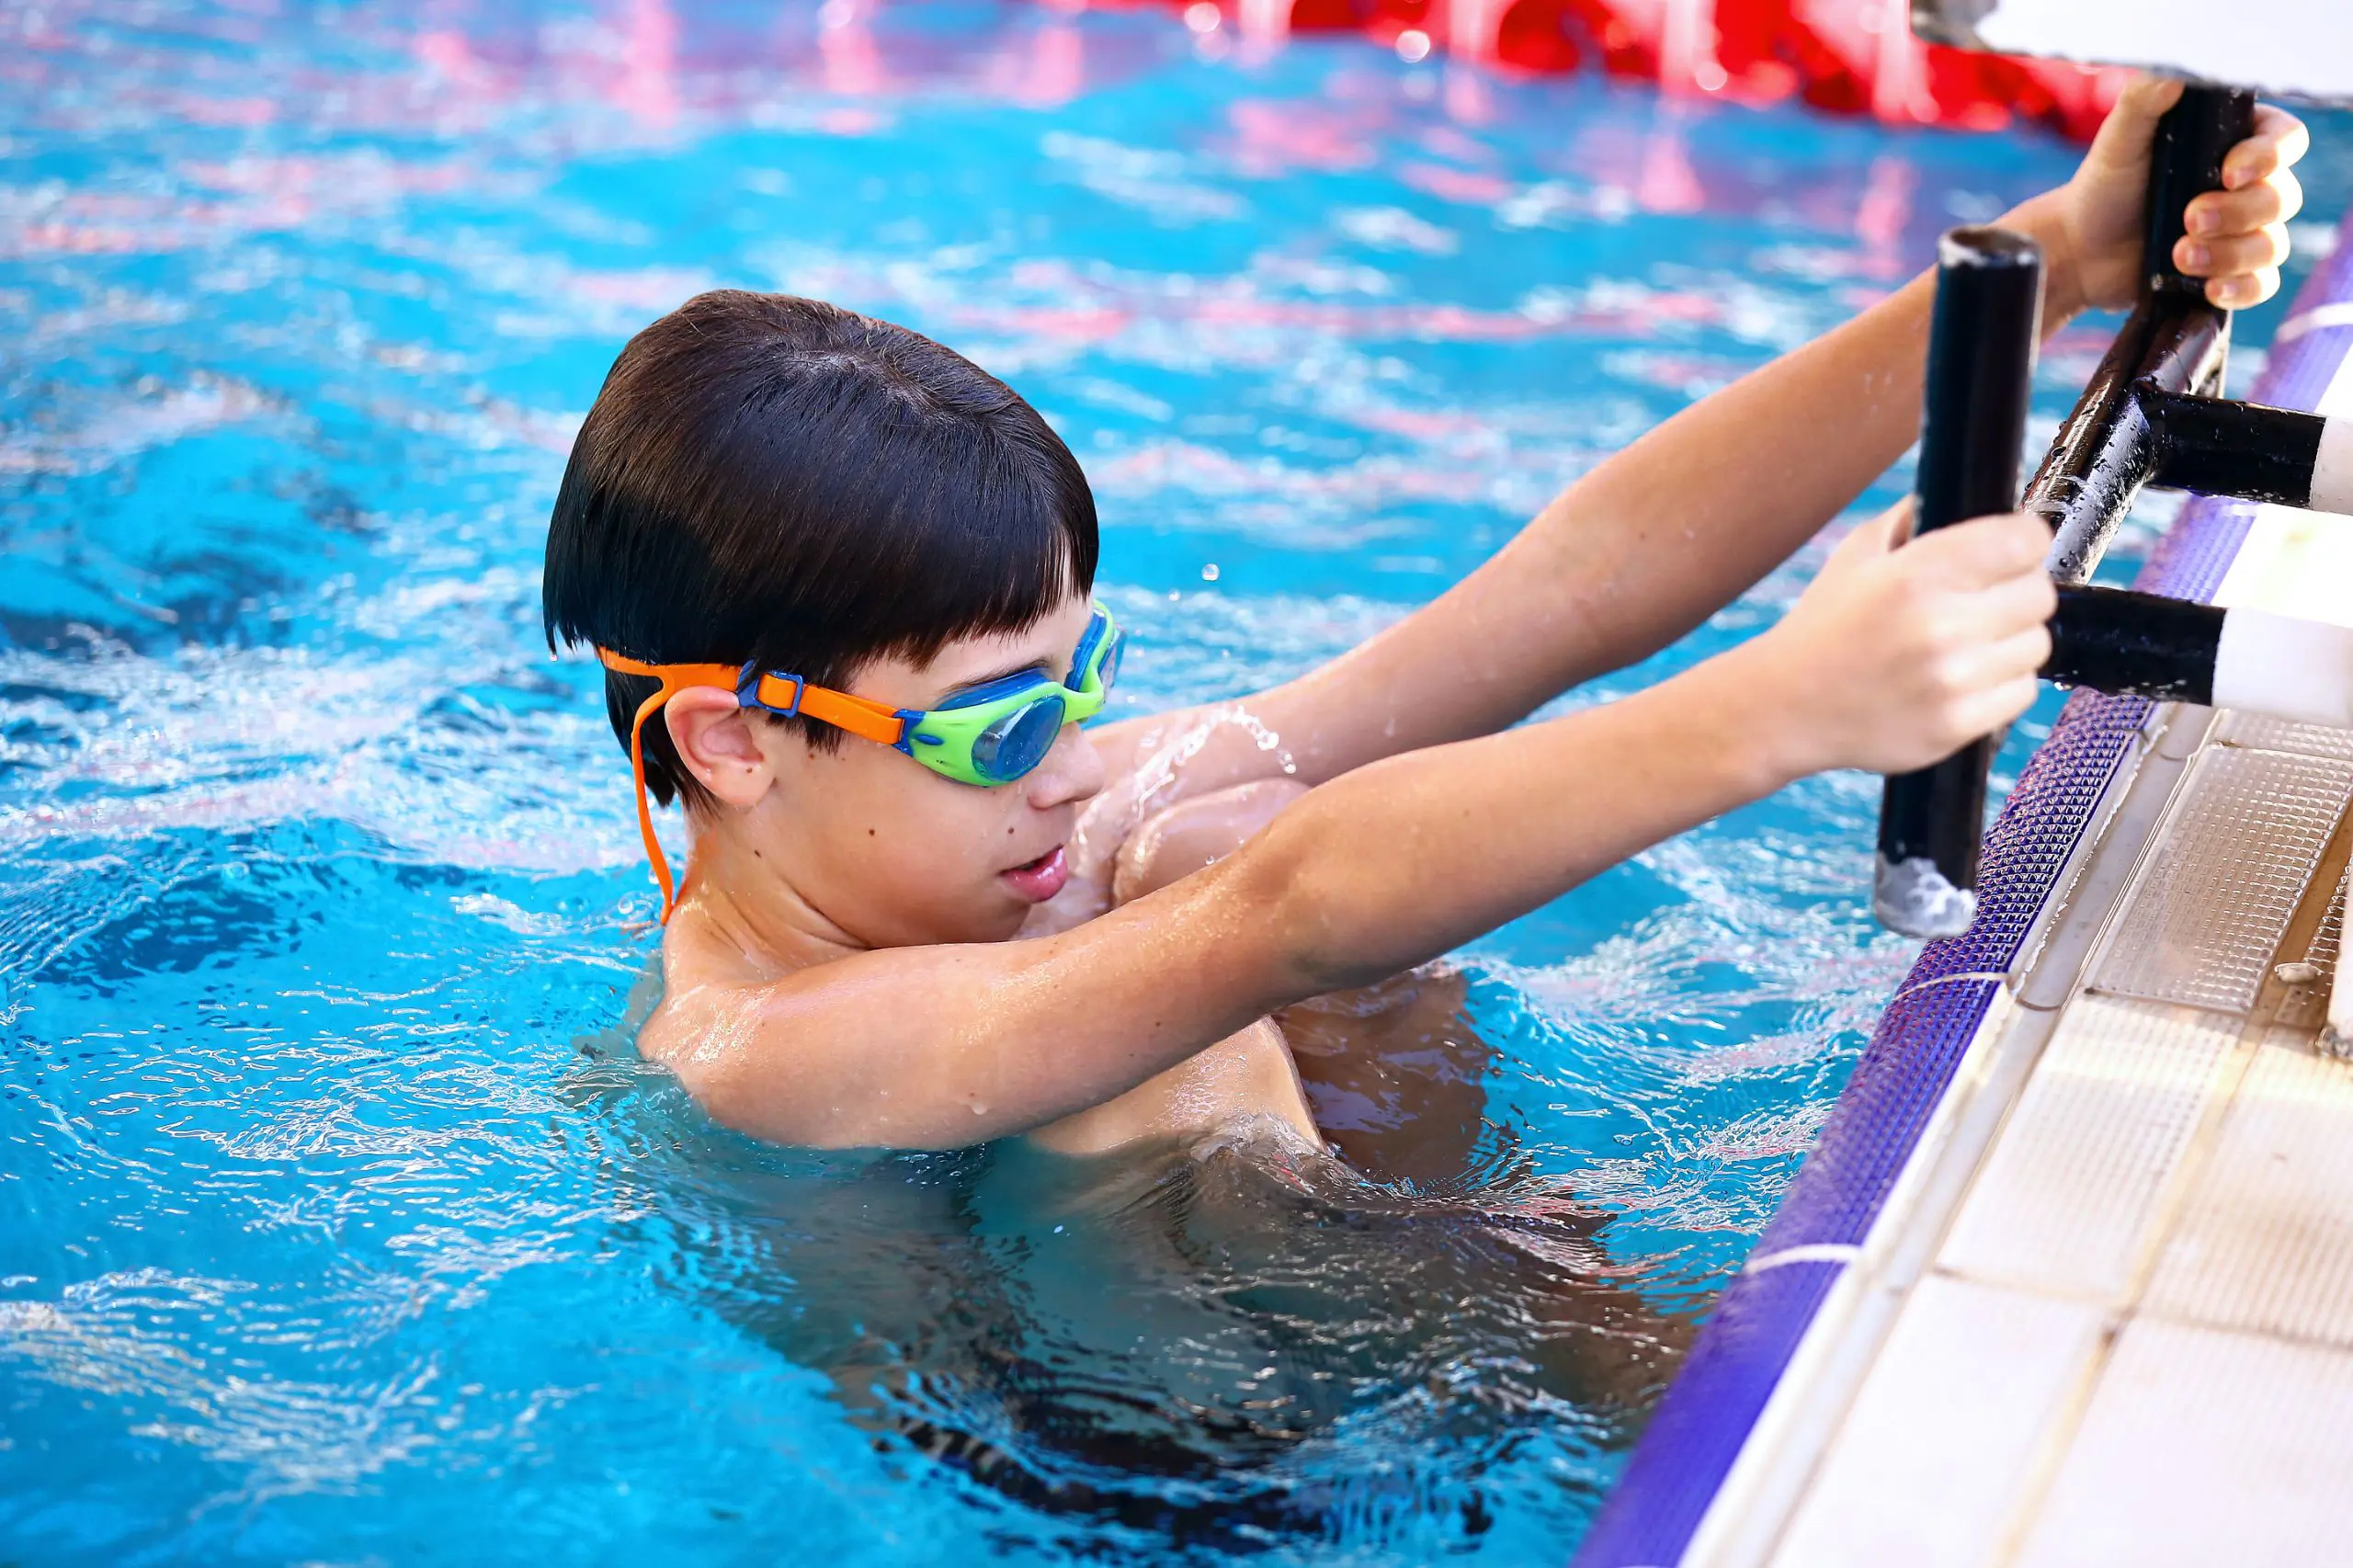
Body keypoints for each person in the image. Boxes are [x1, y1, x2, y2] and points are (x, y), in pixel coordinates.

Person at [543, 79, 2308, 1159]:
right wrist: (1783, 707)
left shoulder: (1014, 822)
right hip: (1185, 1488)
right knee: (1181, 995)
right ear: (731, 739)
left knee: (1212, 826)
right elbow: (1289, 923)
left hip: (1408, 1289)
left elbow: (1555, 599)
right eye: (1002, 722)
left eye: (1082, 681)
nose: (1073, 761)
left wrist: (2057, 250)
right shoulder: (763, 1048)